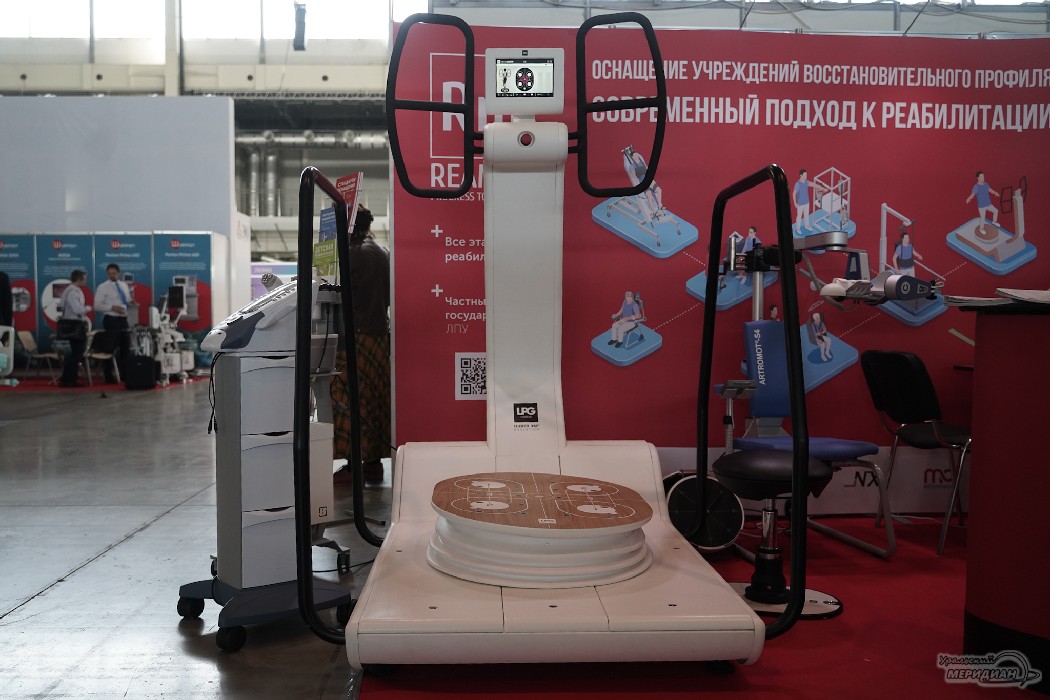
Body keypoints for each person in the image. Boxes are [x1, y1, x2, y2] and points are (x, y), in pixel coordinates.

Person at [332, 204, 391, 485]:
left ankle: (353, 465)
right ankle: (373, 464)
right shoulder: (382, 252)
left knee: (349, 399)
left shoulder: (352, 254)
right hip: (379, 336)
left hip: (355, 337)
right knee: (375, 400)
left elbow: (339, 296)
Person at [94, 263, 132, 383]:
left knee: (125, 347)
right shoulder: (103, 287)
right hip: (111, 319)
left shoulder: (124, 285)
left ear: (118, 273)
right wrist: (112, 307)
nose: (112, 276)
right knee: (110, 348)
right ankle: (108, 375)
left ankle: (125, 374)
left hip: (123, 319)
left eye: (114, 273)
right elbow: (97, 306)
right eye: (109, 274)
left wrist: (132, 302)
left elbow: (127, 299)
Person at [58, 270, 91, 387]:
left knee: (75, 354)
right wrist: (88, 308)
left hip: (72, 325)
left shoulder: (69, 290)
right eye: (84, 279)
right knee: (77, 354)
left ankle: (67, 379)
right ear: (79, 279)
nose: (86, 281)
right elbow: (77, 309)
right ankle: (70, 380)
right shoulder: (73, 292)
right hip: (75, 326)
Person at [965, 171, 999, 236]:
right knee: (983, 217)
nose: (983, 178)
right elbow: (972, 194)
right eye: (981, 177)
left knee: (996, 211)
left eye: (983, 176)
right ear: (977, 178)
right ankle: (981, 229)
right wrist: (968, 199)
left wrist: (995, 193)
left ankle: (994, 222)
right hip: (981, 206)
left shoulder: (986, 184)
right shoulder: (976, 187)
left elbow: (990, 190)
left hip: (988, 204)